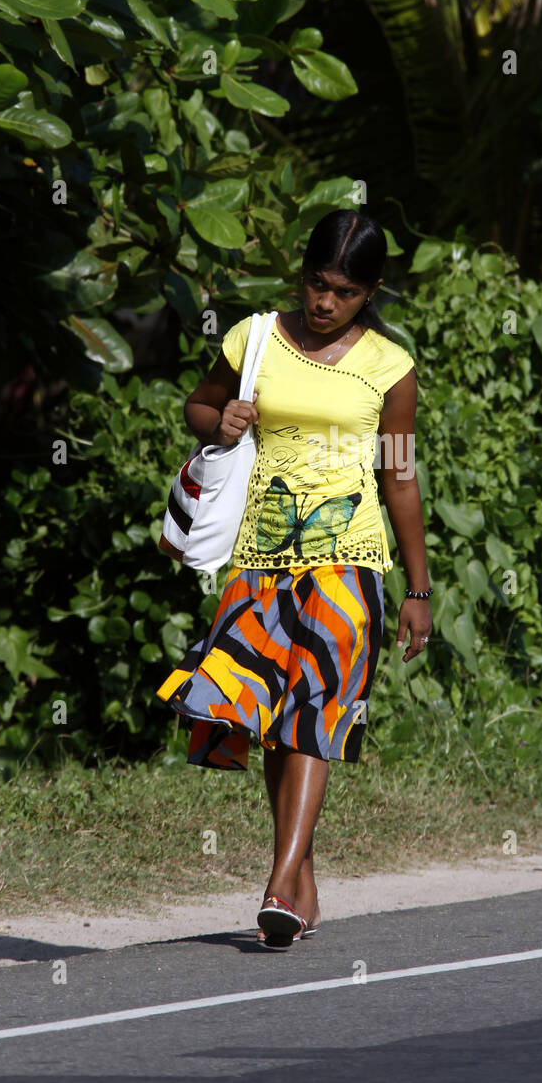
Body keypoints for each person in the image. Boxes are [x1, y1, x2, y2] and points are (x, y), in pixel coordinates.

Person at [155, 209, 433, 948]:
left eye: (342, 292)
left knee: (316, 704)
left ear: (369, 292)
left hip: (349, 560)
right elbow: (199, 403)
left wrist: (417, 588)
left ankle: (278, 883)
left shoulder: (389, 368)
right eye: (316, 284)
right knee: (269, 718)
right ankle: (301, 878)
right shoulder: (252, 339)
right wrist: (219, 424)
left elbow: (398, 477)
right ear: (300, 275)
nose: (323, 302)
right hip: (260, 558)